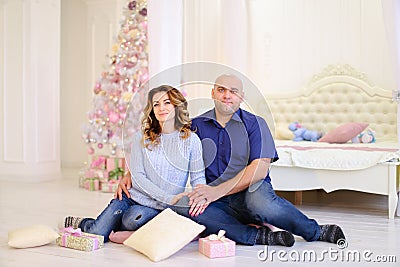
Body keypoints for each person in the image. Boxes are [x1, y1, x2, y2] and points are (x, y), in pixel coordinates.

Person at [117, 74, 346, 246]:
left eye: (233, 91)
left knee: (262, 203)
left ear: (241, 97)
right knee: (187, 207)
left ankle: (315, 231)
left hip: (251, 191)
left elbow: (259, 169)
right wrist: (130, 174)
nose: (227, 95)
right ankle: (258, 235)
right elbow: (161, 142)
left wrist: (218, 191)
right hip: (213, 196)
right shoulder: (194, 125)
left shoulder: (256, 124)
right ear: (213, 94)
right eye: (221, 89)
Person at [63, 85, 208, 242]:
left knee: (132, 219)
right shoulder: (141, 138)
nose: (161, 108)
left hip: (160, 207)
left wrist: (199, 196)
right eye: (156, 104)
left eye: (167, 102)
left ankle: (118, 225)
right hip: (131, 197)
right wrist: (167, 197)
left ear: (176, 106)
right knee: (96, 234)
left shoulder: (191, 140)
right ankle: (84, 223)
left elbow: (198, 176)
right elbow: (137, 176)